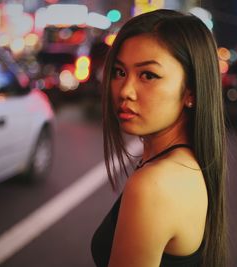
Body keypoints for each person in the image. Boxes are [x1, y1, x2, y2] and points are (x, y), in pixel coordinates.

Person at [91, 9, 227, 267]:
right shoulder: (186, 165)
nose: (125, 91)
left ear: (192, 91)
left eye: (148, 75)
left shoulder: (154, 185)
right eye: (120, 72)